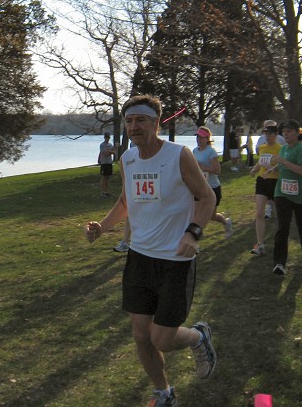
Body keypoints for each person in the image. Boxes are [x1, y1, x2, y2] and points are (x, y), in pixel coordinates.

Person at [85, 95, 217, 406]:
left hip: (175, 260)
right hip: (139, 258)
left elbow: (207, 197)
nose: (134, 127)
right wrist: (102, 227)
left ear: (156, 123)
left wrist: (193, 234)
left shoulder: (178, 155)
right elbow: (126, 202)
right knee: (141, 335)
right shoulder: (128, 159)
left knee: (163, 339)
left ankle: (198, 337)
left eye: (141, 120)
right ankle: (164, 392)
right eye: (129, 121)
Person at [270, 120, 302, 275]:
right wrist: (274, 167)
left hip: (301, 195)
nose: (286, 134)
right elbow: (283, 165)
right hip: (282, 193)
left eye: (289, 131)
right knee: (283, 227)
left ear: (297, 132)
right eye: (284, 131)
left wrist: (283, 162)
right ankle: (279, 263)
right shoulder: (283, 149)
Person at [193, 126, 233, 239]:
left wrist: (202, 167)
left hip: (213, 187)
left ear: (207, 139)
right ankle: (197, 235)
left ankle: (226, 223)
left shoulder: (211, 152)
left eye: (201, 137)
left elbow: (217, 170)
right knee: (195, 213)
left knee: (212, 215)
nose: (198, 140)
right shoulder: (195, 151)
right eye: (197, 137)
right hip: (199, 187)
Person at [248, 123, 281, 255]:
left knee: (279, 215)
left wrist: (274, 168)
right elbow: (260, 161)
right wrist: (254, 170)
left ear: (276, 135)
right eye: (266, 133)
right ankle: (260, 244)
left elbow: (282, 164)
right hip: (262, 181)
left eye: (270, 134)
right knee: (259, 213)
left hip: (276, 181)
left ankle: (280, 240)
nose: (267, 136)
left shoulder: (280, 148)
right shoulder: (262, 147)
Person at [98, 133, 117, 199]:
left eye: (108, 137)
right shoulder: (102, 145)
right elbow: (104, 153)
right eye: (106, 137)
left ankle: (106, 191)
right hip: (104, 162)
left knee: (108, 177)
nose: (107, 139)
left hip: (109, 162)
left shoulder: (110, 145)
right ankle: (102, 192)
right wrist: (110, 152)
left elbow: (114, 152)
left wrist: (110, 152)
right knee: (104, 177)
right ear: (104, 138)